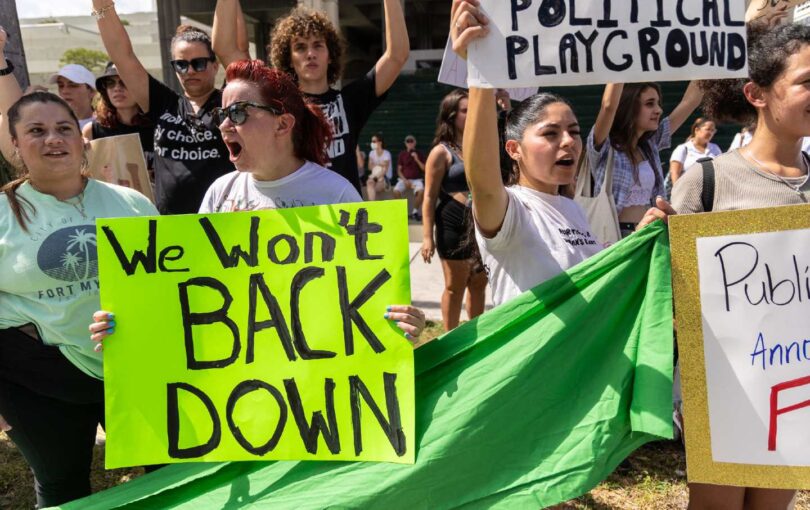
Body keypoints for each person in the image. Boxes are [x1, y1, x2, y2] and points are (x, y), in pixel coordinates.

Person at [91, 60, 425, 348]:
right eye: (222, 114)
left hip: (317, 363)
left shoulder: (335, 194)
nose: (223, 125)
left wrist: (401, 321)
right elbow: (193, 287)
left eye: (237, 113)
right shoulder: (220, 193)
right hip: (240, 365)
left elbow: (366, 292)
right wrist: (131, 323)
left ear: (283, 124)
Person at [448, 0, 669, 307]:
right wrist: (480, 71)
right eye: (550, 133)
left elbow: (591, 278)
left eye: (574, 131)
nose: (568, 141)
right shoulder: (511, 209)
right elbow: (483, 182)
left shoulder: (572, 208)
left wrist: (639, 237)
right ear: (514, 149)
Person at [671, 21, 809, 509]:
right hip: (723, 385)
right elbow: (669, 289)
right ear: (756, 94)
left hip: (796, 384)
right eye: (807, 81)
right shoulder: (706, 181)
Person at [0, 87, 157, 507]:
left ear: (81, 138)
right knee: (62, 485)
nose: (53, 139)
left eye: (64, 128)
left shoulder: (133, 203)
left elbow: (167, 286)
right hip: (36, 377)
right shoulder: (1, 216)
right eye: (36, 131)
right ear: (15, 144)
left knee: (170, 471)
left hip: (133, 368)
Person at [211, 0, 409, 193]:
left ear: (330, 55)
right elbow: (224, 48)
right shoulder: (277, 101)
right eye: (300, 47)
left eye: (318, 45)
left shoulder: (351, 100)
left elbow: (397, 55)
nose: (310, 54)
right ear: (289, 58)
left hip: (344, 210)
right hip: (295, 209)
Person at [93, 0, 234, 214]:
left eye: (199, 63)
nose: (190, 71)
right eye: (181, 65)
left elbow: (229, 47)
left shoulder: (229, 101)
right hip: (169, 226)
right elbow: (122, 55)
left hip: (224, 221)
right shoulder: (163, 103)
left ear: (215, 66)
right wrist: (101, 5)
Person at [589, 80, 702, 237]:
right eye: (650, 104)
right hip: (614, 236)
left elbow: (690, 102)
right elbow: (608, 107)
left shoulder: (650, 144)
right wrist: (617, 70)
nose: (659, 110)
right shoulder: (605, 146)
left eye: (658, 103)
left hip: (650, 232)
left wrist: (706, 67)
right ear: (628, 107)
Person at [421, 89, 488, 330]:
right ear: (451, 115)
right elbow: (429, 197)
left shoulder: (480, 145)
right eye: (465, 110)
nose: (470, 114)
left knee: (479, 282)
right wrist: (427, 237)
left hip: (480, 223)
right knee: (455, 285)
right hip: (452, 222)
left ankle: (476, 335)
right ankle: (450, 338)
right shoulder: (441, 152)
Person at [82, 62, 155, 170]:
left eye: (125, 81)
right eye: (110, 83)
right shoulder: (92, 130)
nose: (117, 88)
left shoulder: (160, 127)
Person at [668, 117, 721, 185]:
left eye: (713, 130)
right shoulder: (683, 148)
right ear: (697, 130)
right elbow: (675, 173)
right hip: (687, 189)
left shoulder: (715, 148)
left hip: (711, 189)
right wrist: (677, 190)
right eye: (708, 129)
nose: (710, 133)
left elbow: (720, 171)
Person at [48, 64, 97, 129]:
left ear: (91, 91)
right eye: (61, 86)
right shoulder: (51, 124)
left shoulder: (104, 125)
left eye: (73, 85)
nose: (64, 91)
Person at [394, 135, 425, 220]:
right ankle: (402, 212)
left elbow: (424, 168)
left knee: (421, 191)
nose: (410, 143)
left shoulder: (419, 153)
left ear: (415, 143)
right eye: (408, 141)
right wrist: (405, 180)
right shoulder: (402, 154)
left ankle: (414, 212)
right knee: (396, 191)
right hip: (404, 179)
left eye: (411, 141)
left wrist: (417, 159)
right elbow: (399, 170)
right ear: (405, 143)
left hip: (417, 180)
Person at [366, 133, 392, 201]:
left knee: (371, 185)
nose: (372, 143)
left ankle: (371, 205)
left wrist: (375, 178)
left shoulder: (386, 153)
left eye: (374, 141)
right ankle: (372, 205)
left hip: (385, 179)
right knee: (369, 184)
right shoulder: (371, 153)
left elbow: (385, 170)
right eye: (372, 141)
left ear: (380, 142)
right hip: (374, 177)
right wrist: (380, 164)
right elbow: (369, 167)